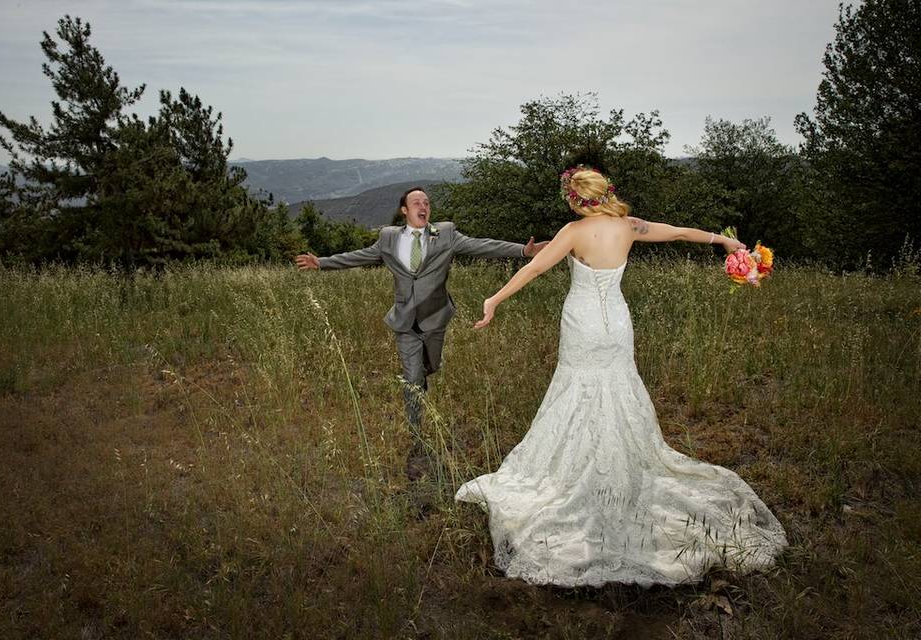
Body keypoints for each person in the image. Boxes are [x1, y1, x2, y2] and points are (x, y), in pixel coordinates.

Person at [456, 166, 788, 587]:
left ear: (576, 200)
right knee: (618, 388)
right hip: (615, 323)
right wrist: (722, 240)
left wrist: (494, 299)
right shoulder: (628, 226)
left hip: (582, 324)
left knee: (577, 390)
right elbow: (680, 233)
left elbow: (536, 268)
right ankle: (615, 464)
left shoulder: (574, 232)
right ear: (604, 194)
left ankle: (582, 467)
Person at [295, 186, 548, 481]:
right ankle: (416, 431)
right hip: (404, 321)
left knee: (431, 367)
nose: (423, 205)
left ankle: (424, 375)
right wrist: (322, 262)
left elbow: (482, 245)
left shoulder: (446, 234)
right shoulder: (388, 237)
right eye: (416, 202)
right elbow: (360, 256)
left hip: (435, 317)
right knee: (412, 376)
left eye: (426, 202)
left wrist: (523, 251)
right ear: (405, 210)